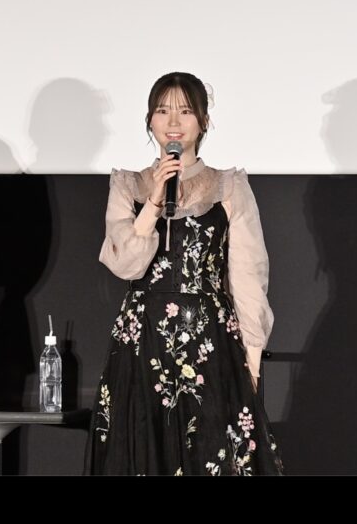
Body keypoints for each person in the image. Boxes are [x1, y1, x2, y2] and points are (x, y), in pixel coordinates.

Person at [86, 72, 283, 475]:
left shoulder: (229, 186)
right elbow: (125, 264)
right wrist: (153, 203)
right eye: (162, 111)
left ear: (204, 121)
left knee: (209, 455)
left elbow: (249, 276)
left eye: (185, 111)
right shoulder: (129, 185)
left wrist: (251, 361)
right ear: (149, 120)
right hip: (144, 342)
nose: (173, 122)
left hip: (209, 342)